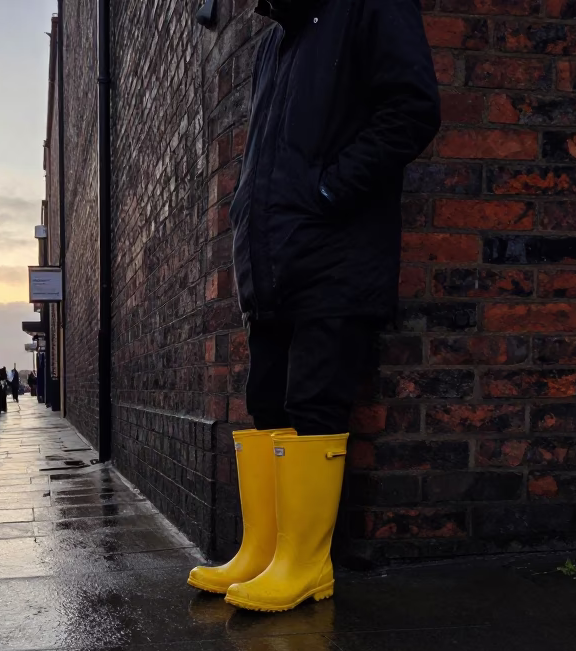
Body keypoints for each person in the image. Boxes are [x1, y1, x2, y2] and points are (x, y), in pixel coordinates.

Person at [188, 0, 440, 612]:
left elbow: (411, 110)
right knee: (267, 402)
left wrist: (329, 189)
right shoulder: (277, 43)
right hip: (276, 260)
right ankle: (264, 552)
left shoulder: (368, 8)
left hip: (336, 257)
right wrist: (248, 213)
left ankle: (305, 564)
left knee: (312, 404)